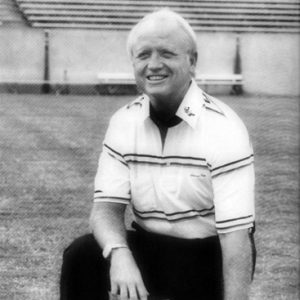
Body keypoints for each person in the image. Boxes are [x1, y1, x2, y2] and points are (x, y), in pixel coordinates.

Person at [60, 8, 256, 300]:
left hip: (207, 255)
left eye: (166, 53)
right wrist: (120, 253)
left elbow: (236, 238)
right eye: (143, 55)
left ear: (192, 62)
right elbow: (105, 210)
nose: (154, 64)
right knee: (82, 255)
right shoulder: (123, 122)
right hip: (148, 246)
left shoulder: (224, 128)